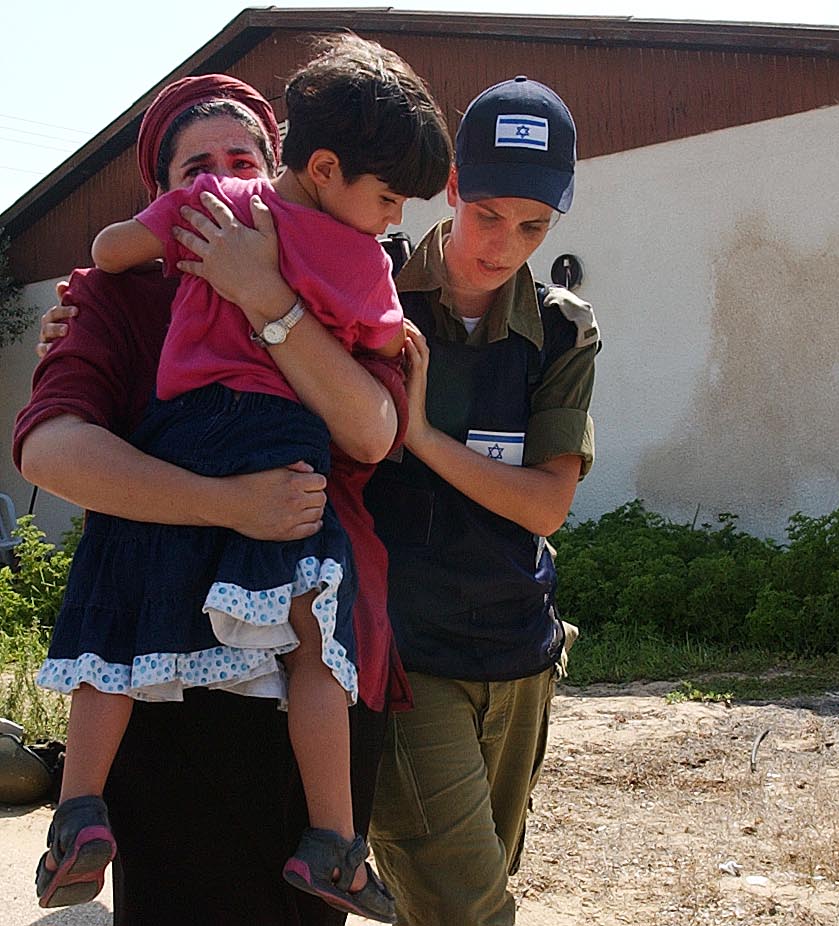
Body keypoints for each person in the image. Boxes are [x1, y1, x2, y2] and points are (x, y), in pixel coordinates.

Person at [33, 34, 448, 921]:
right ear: (166, 190)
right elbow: (49, 450)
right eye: (196, 167)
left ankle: (324, 847)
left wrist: (268, 296)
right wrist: (227, 503)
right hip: (170, 684)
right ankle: (82, 818)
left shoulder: (333, 253)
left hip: (323, 654)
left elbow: (374, 432)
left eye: (239, 159)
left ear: (280, 168)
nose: (218, 180)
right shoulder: (109, 300)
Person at [363, 76, 600, 926]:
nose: (505, 244)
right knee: (468, 909)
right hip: (403, 657)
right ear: (453, 187)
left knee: (462, 896)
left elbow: (543, 507)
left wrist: (424, 439)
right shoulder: (367, 285)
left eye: (533, 226)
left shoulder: (564, 330)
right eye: (488, 214)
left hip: (518, 653)